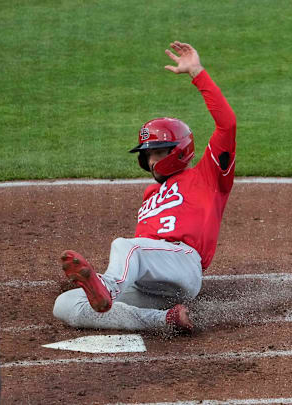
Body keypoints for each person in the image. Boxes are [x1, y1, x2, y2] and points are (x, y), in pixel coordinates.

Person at [53, 41, 236, 333]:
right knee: (65, 304)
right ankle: (165, 321)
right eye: (148, 153)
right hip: (154, 286)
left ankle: (107, 288)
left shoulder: (209, 175)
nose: (151, 160)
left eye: (158, 151)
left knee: (126, 246)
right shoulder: (150, 194)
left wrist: (197, 72)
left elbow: (227, 125)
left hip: (184, 266)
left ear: (178, 150)